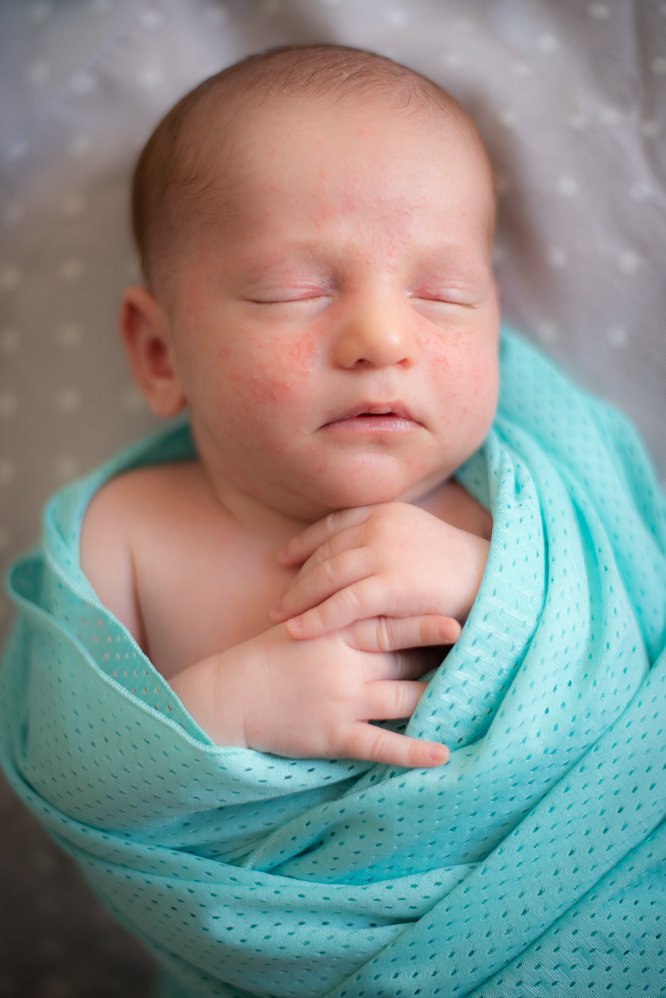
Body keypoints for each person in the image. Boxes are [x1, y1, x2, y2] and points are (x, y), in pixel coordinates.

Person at [79, 43, 497, 768]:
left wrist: (490, 582)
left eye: (443, 294)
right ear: (160, 353)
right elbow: (64, 767)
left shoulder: (529, 523)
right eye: (293, 292)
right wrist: (218, 711)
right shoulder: (129, 533)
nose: (382, 338)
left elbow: (631, 661)